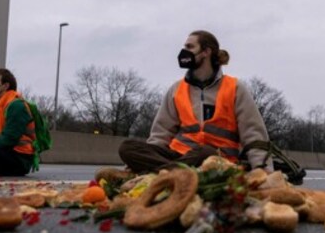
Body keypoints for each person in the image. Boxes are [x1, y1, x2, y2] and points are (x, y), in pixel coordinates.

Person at [117, 30, 273, 174]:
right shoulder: (176, 89)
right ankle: (173, 173)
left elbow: (254, 133)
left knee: (205, 152)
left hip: (218, 159)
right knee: (127, 148)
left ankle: (160, 174)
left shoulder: (235, 88)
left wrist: (262, 168)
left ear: (206, 52)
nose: (184, 51)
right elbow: (160, 134)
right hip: (179, 156)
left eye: (190, 47)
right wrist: (142, 158)